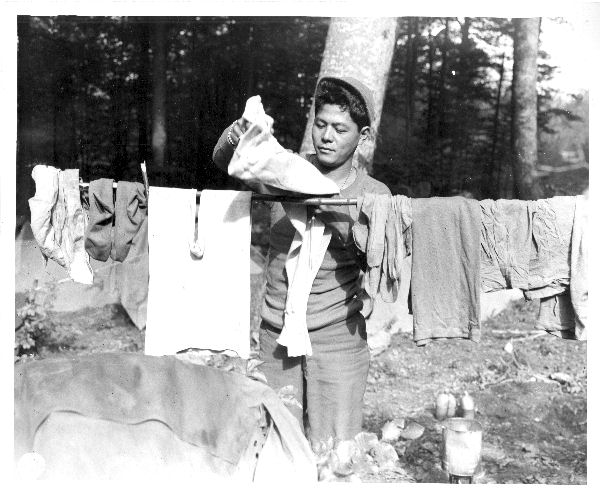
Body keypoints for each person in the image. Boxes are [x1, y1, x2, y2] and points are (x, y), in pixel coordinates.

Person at [212, 76, 390, 448]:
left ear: (364, 136)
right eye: (320, 124)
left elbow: (378, 263)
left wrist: (336, 217)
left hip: (337, 337)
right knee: (275, 448)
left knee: (334, 456)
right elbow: (224, 159)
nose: (326, 136)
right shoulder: (283, 172)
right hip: (276, 334)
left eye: (340, 129)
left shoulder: (374, 195)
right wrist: (240, 131)